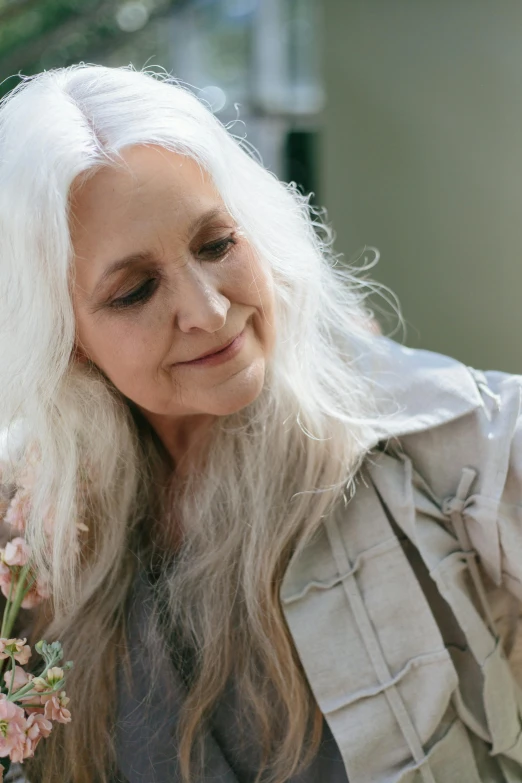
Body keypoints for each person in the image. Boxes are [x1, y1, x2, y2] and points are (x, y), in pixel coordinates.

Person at [0, 64, 520, 783]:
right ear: (64, 337)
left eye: (216, 244)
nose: (209, 310)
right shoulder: (27, 531)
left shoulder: (451, 441)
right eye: (136, 290)